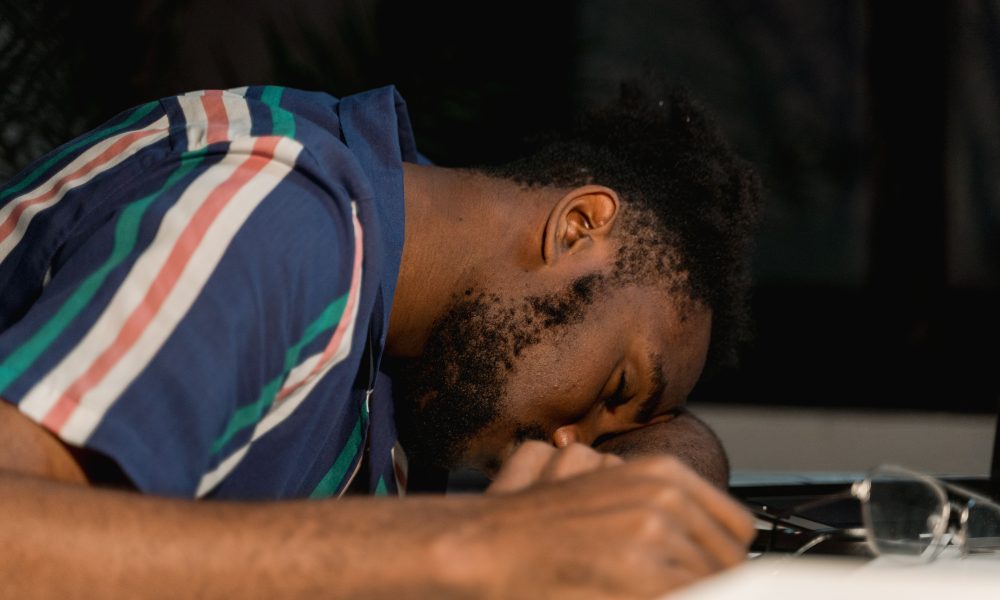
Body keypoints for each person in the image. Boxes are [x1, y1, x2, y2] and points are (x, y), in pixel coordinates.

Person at [0, 81, 760, 598]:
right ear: (577, 228)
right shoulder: (273, 221)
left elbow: (663, 452)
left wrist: (670, 470)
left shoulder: (411, 310)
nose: (571, 444)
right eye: (613, 391)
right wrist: (470, 546)